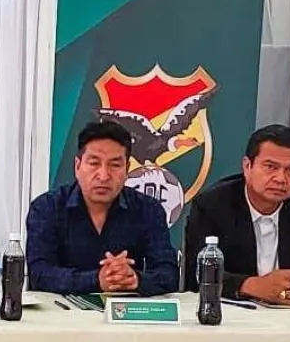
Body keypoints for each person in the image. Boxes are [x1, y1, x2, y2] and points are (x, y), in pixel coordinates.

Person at [184, 124, 290, 305]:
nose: (281, 178)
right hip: (235, 315)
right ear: (247, 166)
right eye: (271, 167)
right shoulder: (213, 205)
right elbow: (196, 274)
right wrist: (251, 285)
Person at [25, 121, 179, 296]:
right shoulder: (47, 208)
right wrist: (97, 280)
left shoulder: (148, 210)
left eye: (115, 165)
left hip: (127, 317)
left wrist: (135, 279)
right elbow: (39, 273)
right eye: (94, 163)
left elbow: (169, 274)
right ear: (77, 166)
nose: (104, 176)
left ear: (127, 169)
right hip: (62, 317)